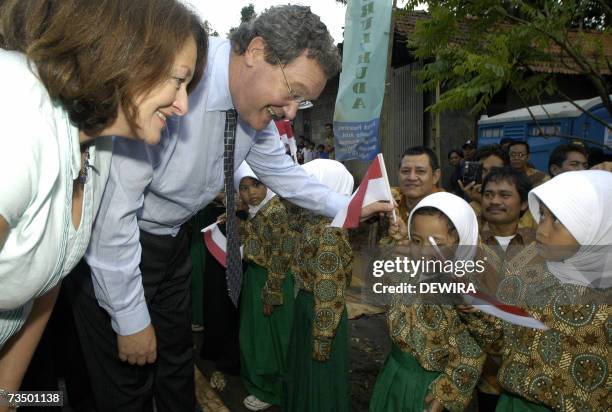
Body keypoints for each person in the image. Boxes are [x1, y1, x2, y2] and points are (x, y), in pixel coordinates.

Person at [68, 5, 392, 412]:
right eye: (292, 93)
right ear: (256, 51)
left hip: (172, 242)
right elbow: (112, 218)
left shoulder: (252, 112)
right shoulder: (173, 80)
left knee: (175, 366)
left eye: (302, 103)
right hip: (115, 248)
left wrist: (350, 207)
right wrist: (129, 318)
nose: (289, 112)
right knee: (125, 378)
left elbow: (286, 174)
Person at [0, 0, 206, 402]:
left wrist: (6, 394)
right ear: (125, 56)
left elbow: (49, 279)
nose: (183, 106)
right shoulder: (19, 114)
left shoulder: (97, 146)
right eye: (178, 81)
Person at [472, 170, 612, 411]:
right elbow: (500, 339)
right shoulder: (526, 272)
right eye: (543, 216)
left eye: (557, 220)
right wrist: (471, 310)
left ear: (598, 225)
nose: (542, 231)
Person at [370, 192, 485, 412]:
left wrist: (446, 393)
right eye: (417, 240)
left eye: (436, 243)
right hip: (395, 374)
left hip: (431, 390)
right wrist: (394, 241)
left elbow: (473, 349)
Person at [284, 159, 354, 412]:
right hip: (309, 307)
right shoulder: (315, 221)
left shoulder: (329, 232)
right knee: (308, 373)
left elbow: (328, 290)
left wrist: (323, 336)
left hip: (322, 314)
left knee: (320, 379)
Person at [235, 162, 296, 411]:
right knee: (256, 335)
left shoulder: (275, 211)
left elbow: (282, 254)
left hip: (271, 280)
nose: (251, 193)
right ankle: (261, 384)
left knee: (270, 340)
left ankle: (272, 391)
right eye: (244, 188)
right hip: (256, 278)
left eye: (256, 185)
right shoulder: (257, 210)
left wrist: (272, 292)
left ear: (266, 183)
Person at [380, 146, 443, 244]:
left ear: (435, 176)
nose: (412, 177)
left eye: (420, 171)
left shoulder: (449, 211)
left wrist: (408, 240)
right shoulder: (392, 198)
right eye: (405, 171)